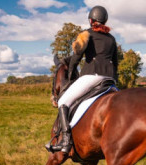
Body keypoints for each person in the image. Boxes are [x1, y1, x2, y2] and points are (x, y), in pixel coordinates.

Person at [49, 5, 118, 153]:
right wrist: (114, 79)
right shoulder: (112, 39)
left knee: (63, 101)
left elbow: (76, 57)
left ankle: (66, 141)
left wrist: (71, 70)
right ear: (104, 20)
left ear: (91, 20)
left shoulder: (86, 34)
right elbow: (115, 62)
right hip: (110, 79)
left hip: (92, 76)